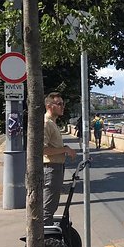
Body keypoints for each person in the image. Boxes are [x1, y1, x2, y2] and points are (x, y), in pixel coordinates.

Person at [43, 92, 77, 226]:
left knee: (51, 205)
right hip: (50, 169)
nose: (63, 107)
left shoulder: (52, 123)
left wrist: (65, 147)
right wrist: (65, 150)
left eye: (63, 104)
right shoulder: (46, 124)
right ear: (49, 106)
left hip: (56, 168)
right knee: (48, 207)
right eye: (59, 104)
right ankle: (46, 242)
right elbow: (43, 150)